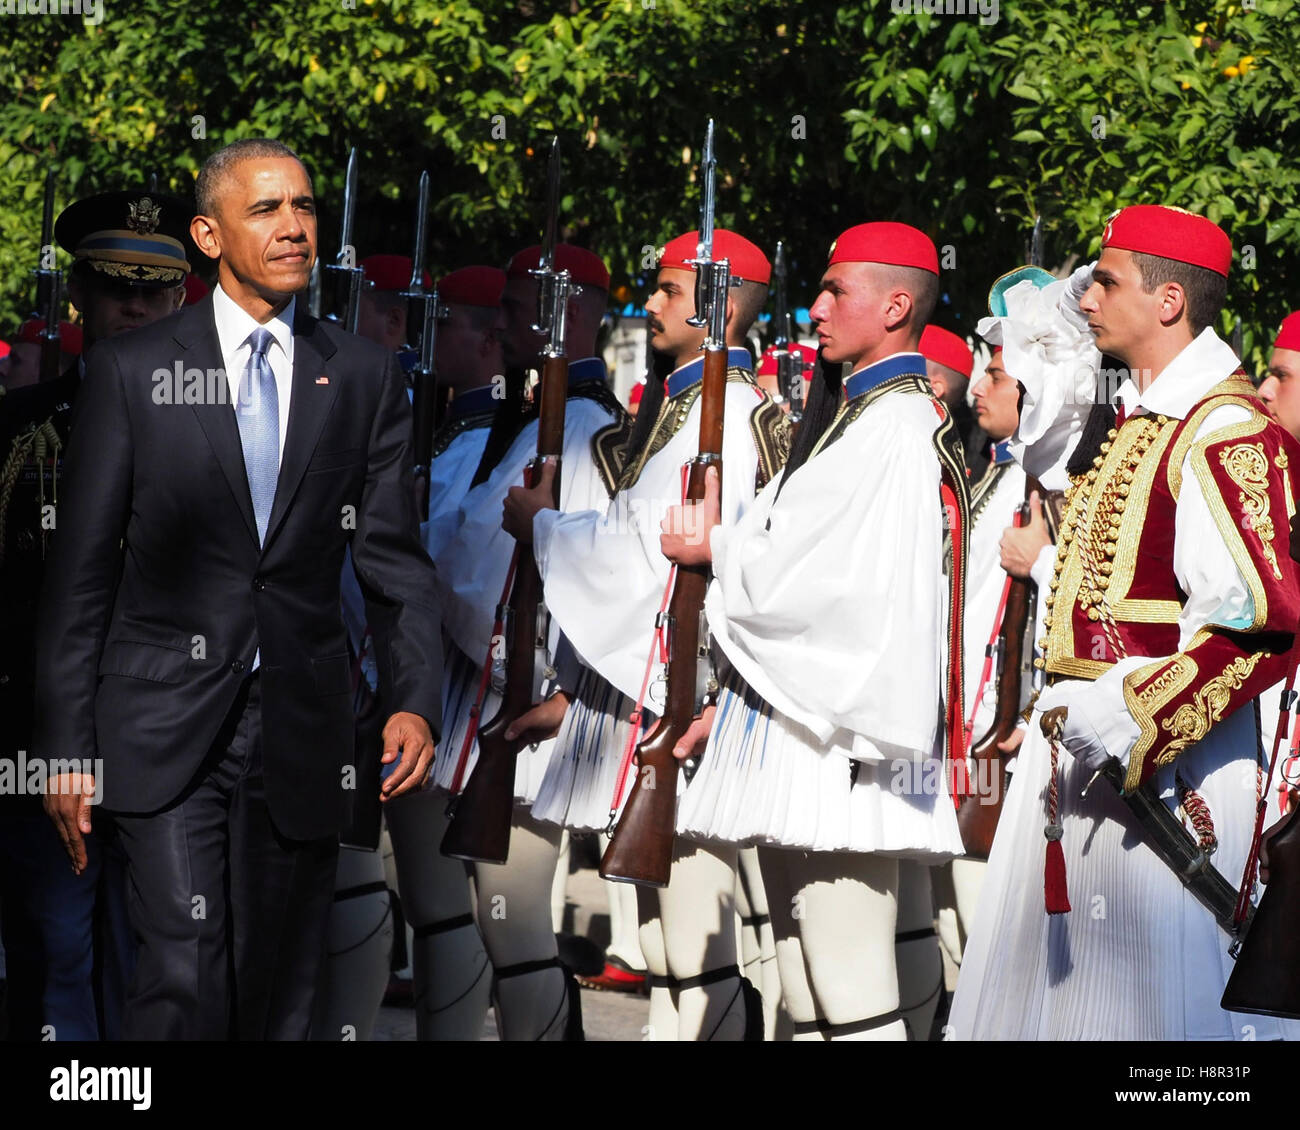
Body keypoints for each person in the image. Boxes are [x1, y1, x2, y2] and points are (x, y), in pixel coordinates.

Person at [34, 138, 443, 1041]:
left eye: (303, 208)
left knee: (281, 993)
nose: (295, 228)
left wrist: (415, 700)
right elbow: (82, 577)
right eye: (266, 210)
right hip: (161, 728)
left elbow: (392, 560)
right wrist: (64, 748)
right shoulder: (133, 371)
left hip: (300, 730)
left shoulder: (364, 375)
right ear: (208, 235)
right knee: (182, 975)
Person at [950, 204, 1300, 1040]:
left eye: (1107, 280)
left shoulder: (1223, 433)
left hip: (1163, 771)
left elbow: (1264, 623)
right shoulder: (1144, 416)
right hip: (1087, 755)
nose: (1088, 298)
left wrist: (1130, 717)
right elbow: (1041, 357)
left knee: (1147, 1018)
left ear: (1169, 301)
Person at [663, 222, 966, 1041]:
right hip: (808, 727)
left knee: (848, 981)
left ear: (898, 304)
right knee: (804, 980)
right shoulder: (857, 417)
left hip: (842, 733)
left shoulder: (895, 428)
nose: (817, 306)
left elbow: (831, 584)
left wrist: (716, 544)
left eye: (838, 291)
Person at [503, 229, 790, 1040]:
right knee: (670, 946)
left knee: (695, 947)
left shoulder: (726, 416)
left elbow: (658, 560)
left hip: (684, 697)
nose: (653, 304)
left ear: (718, 307)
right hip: (655, 687)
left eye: (668, 291)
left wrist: (548, 527)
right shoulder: (690, 405)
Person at [0, 186, 192, 1042]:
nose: (136, 307)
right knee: (53, 961)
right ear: (80, 294)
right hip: (37, 741)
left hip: (176, 743)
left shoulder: (225, 426)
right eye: (117, 288)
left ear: (183, 297)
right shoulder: (18, 429)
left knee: (157, 968)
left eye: (153, 290)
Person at [431, 243, 627, 1040]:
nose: (502, 324)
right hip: (506, 694)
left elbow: (484, 559)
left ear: (565, 313)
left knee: (517, 938)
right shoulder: (542, 418)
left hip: (536, 703)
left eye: (517, 308)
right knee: (500, 929)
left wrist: (566, 692)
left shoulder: (581, 427)